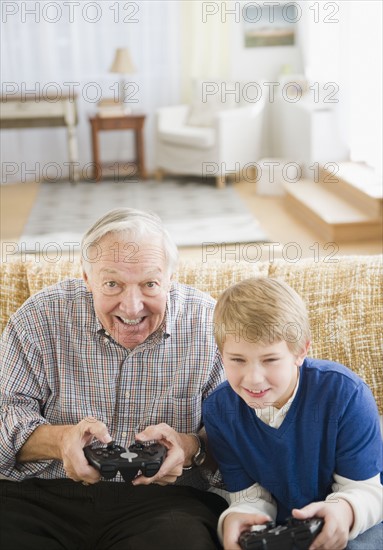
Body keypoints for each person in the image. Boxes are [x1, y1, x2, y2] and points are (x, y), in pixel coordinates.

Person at [0, 208, 228, 550]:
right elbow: (5, 414)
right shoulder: (39, 318)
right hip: (38, 497)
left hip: (166, 505)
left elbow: (244, 437)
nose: (132, 307)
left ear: (170, 278)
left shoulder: (210, 327)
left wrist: (189, 447)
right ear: (87, 278)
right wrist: (61, 440)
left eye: (150, 283)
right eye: (112, 284)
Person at [202, 277, 383, 550]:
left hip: (359, 521)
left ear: (301, 351)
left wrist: (342, 513)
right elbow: (249, 496)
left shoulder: (346, 394)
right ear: (221, 355)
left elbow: (366, 491)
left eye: (270, 360)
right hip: (286, 530)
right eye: (237, 360)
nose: (253, 379)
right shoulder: (219, 410)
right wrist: (237, 520)